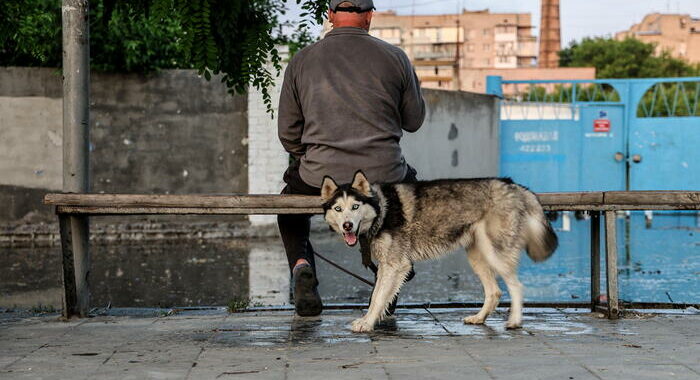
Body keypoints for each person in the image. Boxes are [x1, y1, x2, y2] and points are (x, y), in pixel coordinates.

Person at [277, 0, 425, 316]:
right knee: (407, 190)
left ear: (330, 15)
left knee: (288, 207)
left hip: (320, 177)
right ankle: (390, 267)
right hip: (382, 173)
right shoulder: (395, 57)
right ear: (369, 16)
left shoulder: (302, 60)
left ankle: (302, 266)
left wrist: (314, 157)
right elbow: (414, 121)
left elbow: (288, 133)